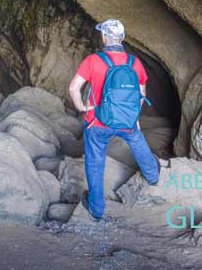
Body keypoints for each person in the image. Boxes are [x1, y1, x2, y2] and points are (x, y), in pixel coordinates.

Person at [67, 19, 160, 221]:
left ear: (103, 37)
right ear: (123, 38)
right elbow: (140, 92)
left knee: (95, 160)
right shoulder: (134, 63)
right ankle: (153, 176)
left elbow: (74, 88)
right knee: (137, 141)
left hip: (98, 122)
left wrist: (82, 107)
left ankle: (96, 208)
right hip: (127, 121)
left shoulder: (93, 60)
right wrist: (132, 117)